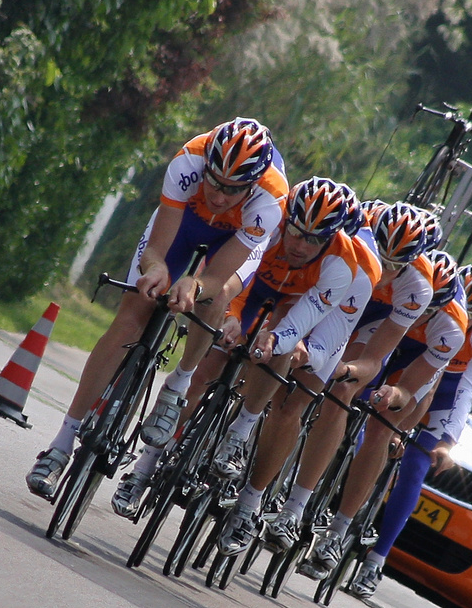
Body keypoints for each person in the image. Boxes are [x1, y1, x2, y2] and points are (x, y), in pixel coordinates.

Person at [27, 118, 288, 499]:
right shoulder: (189, 159)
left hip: (232, 242)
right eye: (214, 180)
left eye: (232, 190)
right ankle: (60, 444)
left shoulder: (271, 199)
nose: (218, 195)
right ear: (207, 166)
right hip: (185, 224)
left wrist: (195, 284)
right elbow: (156, 249)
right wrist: (157, 270)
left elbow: (219, 275)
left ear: (251, 185)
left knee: (213, 299)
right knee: (133, 314)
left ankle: (177, 384)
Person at [111, 177, 370, 518]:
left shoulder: (346, 266)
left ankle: (241, 431)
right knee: (208, 363)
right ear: (286, 219)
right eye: (295, 231)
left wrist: (274, 338)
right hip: (253, 284)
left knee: (280, 347)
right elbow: (233, 278)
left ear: (332, 238)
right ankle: (144, 468)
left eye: (313, 239)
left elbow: (303, 320)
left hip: (294, 303)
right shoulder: (271, 222)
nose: (300, 245)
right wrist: (231, 317)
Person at [210, 204, 431, 556]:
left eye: (395, 267)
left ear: (410, 264)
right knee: (273, 340)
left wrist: (341, 369)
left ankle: (277, 506)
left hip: (363, 320)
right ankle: (229, 425)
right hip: (329, 290)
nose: (386, 273)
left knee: (317, 395)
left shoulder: (418, 289)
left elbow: (372, 359)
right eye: (382, 258)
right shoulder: (353, 249)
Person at [339, 266, 472, 597]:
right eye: (462, 306)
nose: (464, 316)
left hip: (449, 389)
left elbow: (466, 391)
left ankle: (376, 560)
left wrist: (447, 441)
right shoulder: (438, 305)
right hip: (416, 364)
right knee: (373, 421)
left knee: (416, 464)